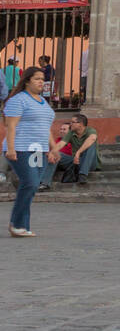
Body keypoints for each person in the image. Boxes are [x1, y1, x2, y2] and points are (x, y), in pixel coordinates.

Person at [3, 66, 59, 237]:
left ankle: (22, 226)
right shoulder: (18, 100)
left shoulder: (43, 101)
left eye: (43, 79)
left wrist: (53, 148)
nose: (41, 81)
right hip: (21, 148)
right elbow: (10, 126)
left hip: (39, 150)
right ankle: (17, 224)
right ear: (27, 81)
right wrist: (11, 149)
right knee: (30, 183)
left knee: (31, 186)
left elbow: (46, 128)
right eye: (37, 78)